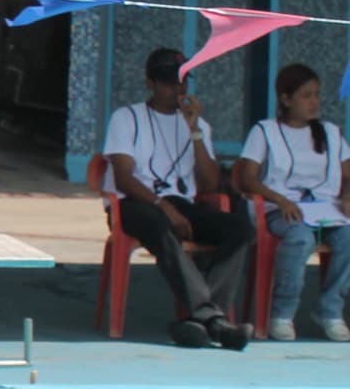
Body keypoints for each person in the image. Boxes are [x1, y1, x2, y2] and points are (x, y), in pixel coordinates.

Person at [100, 47, 255, 349]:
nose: (178, 89)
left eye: (182, 81)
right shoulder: (127, 118)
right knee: (160, 225)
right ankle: (215, 320)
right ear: (150, 83)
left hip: (182, 204)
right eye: (169, 82)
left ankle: (204, 320)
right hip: (134, 204)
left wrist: (194, 131)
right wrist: (164, 207)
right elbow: (123, 178)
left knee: (240, 229)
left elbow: (210, 184)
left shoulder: (198, 125)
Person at [235, 63, 350, 342]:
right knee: (300, 238)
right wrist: (280, 199)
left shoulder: (330, 133)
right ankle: (282, 313)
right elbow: (247, 178)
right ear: (286, 99)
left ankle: (330, 310)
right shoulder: (264, 131)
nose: (315, 102)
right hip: (280, 211)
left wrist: (347, 197)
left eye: (317, 94)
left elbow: (348, 174)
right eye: (307, 95)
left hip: (325, 211)